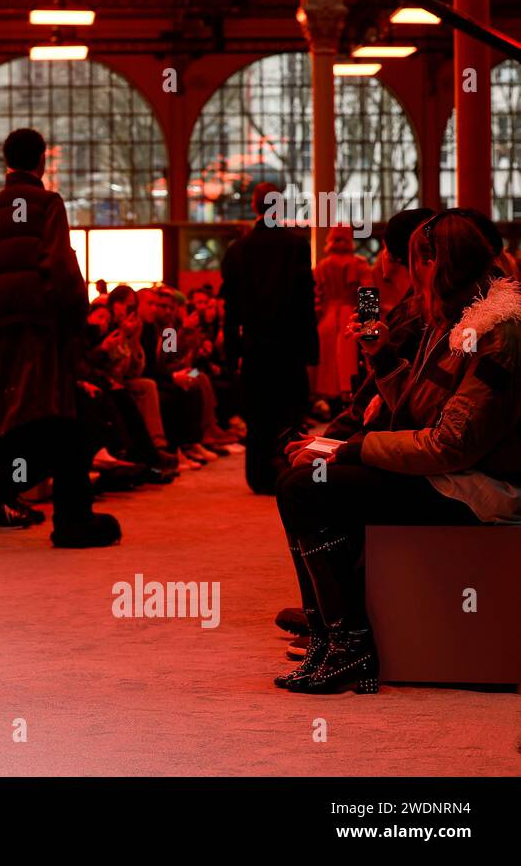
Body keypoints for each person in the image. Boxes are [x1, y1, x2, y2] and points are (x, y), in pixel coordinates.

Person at [274, 211, 521, 694]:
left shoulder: (496, 331)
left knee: (308, 488)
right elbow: (420, 415)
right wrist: (383, 356)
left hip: (486, 487)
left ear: (434, 263)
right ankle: (332, 635)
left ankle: (350, 645)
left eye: (413, 264)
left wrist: (352, 450)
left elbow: (449, 444)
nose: (404, 276)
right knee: (298, 482)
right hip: (459, 473)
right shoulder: (461, 317)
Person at [0, 127, 121, 549]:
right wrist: (78, 319)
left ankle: (74, 518)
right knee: (43, 420)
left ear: (7, 161)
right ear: (42, 161)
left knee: (57, 421)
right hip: (40, 326)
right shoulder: (46, 203)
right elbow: (60, 265)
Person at [221, 182, 319, 494]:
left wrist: (231, 351)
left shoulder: (238, 250)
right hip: (289, 345)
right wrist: (310, 349)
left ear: (254, 207)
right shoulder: (296, 246)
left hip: (254, 345)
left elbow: (231, 307)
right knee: (289, 411)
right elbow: (306, 303)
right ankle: (288, 473)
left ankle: (259, 475)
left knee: (258, 413)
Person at [312, 226, 372, 405]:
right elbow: (368, 298)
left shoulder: (322, 266)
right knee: (350, 366)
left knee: (328, 370)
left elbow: (316, 296)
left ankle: (332, 407)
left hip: (327, 320)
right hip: (350, 317)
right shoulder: (359, 264)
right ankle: (350, 405)